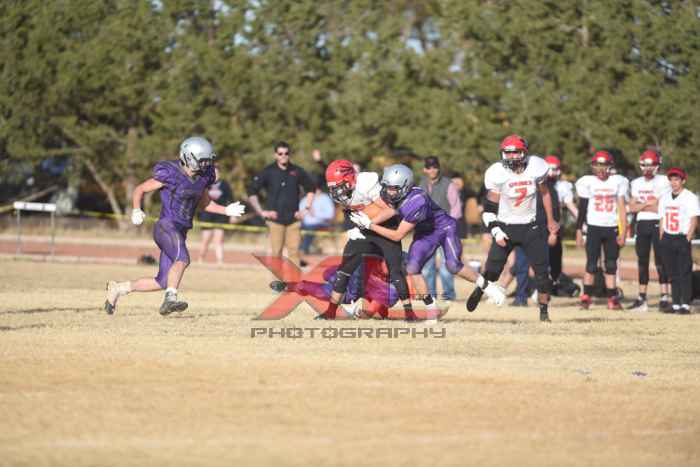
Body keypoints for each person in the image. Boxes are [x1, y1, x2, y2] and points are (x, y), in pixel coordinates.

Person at [104, 136, 246, 315]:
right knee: (182, 259)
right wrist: (136, 209)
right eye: (202, 161)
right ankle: (170, 300)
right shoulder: (170, 173)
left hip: (180, 231)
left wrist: (226, 210)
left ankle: (118, 288)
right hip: (166, 226)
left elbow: (205, 204)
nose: (206, 165)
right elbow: (140, 189)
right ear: (189, 157)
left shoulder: (203, 177)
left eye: (207, 161)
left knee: (163, 281)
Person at [349, 164, 506, 314]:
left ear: (405, 186)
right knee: (412, 268)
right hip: (425, 233)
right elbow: (390, 211)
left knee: (453, 265)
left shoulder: (417, 201)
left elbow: (397, 235)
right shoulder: (393, 195)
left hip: (444, 228)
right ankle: (431, 308)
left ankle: (488, 286)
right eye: (387, 187)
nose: (389, 192)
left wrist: (370, 225)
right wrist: (363, 225)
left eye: (393, 188)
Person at [467, 134, 559, 322]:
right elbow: (489, 210)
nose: (511, 156)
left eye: (515, 152)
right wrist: (496, 231)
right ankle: (480, 290)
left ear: (524, 153)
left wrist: (551, 220)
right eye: (507, 153)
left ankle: (544, 312)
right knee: (492, 271)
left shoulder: (536, 166)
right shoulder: (497, 173)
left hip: (531, 227)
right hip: (505, 227)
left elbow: (545, 194)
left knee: (542, 274)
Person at [316, 160, 415, 321]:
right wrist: (358, 226)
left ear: (350, 179)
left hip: (385, 227)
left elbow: (391, 210)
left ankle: (410, 313)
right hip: (365, 230)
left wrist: (369, 224)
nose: (336, 191)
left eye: (338, 186)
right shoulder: (342, 194)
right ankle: (330, 312)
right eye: (333, 187)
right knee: (344, 270)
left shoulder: (366, 184)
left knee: (395, 270)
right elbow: (352, 212)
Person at [575, 150, 628, 310]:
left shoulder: (618, 181)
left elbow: (621, 208)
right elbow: (582, 208)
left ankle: (612, 299)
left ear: (610, 166)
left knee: (611, 265)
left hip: (611, 228)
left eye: (603, 165)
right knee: (591, 264)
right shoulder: (587, 182)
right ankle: (586, 298)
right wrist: (578, 230)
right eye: (597, 165)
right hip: (594, 228)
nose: (600, 168)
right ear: (593, 166)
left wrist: (623, 231)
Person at [247, 142, 315, 267]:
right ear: (275, 155)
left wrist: (306, 209)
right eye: (280, 153)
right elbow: (251, 190)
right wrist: (261, 212)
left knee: (294, 253)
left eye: (286, 153)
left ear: (289, 154)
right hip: (275, 221)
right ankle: (277, 280)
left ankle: (294, 279)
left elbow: (311, 188)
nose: (283, 155)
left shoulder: (297, 171)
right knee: (276, 253)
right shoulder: (268, 171)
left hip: (293, 220)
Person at [627, 150, 672, 311]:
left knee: (661, 260)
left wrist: (642, 205)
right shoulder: (636, 183)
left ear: (657, 166)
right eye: (645, 165)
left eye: (651, 165)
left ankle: (665, 296)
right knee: (642, 261)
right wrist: (648, 204)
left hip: (659, 222)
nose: (648, 168)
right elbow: (632, 207)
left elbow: (661, 207)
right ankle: (642, 297)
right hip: (642, 224)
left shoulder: (664, 181)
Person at [418, 156, 462, 300]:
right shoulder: (421, 185)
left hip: (445, 230)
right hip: (427, 231)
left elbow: (456, 207)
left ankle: (449, 295)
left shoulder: (448, 184)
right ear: (424, 169)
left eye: (435, 167)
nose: (432, 170)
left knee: (446, 265)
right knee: (427, 266)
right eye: (429, 167)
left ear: (439, 168)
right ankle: (431, 295)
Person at [657, 167, 699, 314]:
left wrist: (688, 236)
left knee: (684, 272)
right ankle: (675, 303)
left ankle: (685, 304)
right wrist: (662, 235)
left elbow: (694, 218)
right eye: (671, 179)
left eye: (677, 179)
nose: (674, 182)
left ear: (683, 181)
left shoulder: (690, 197)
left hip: (681, 237)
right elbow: (662, 218)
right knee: (672, 272)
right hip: (668, 236)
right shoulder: (665, 197)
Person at [197, 164, 236, 264]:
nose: (215, 174)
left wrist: (233, 215)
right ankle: (200, 259)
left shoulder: (225, 185)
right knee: (206, 240)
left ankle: (220, 261)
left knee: (219, 240)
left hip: (220, 215)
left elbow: (230, 200)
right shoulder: (205, 184)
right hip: (207, 215)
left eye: (216, 172)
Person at [299, 183, 335, 256]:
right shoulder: (305, 199)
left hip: (320, 223)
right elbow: (300, 213)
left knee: (310, 229)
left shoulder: (325, 199)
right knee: (293, 227)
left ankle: (303, 250)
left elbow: (330, 215)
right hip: (305, 224)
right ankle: (295, 249)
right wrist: (301, 215)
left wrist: (315, 214)